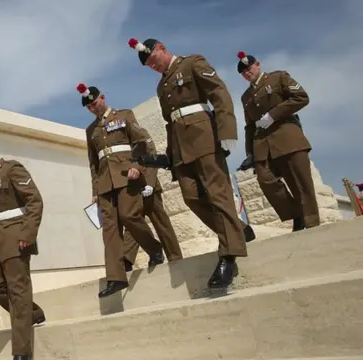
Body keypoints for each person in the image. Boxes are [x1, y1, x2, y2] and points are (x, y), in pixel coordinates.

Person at [127, 37, 255, 288]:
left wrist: (227, 130)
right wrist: (170, 156)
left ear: (162, 49)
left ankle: (228, 256)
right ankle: (237, 228)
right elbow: (171, 122)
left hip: (205, 137)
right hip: (181, 150)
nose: (153, 66)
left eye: (153, 60)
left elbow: (218, 92)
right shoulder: (161, 87)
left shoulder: (192, 63)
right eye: (149, 66)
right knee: (192, 197)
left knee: (219, 196)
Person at [78, 83, 166, 298]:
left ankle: (154, 249)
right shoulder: (91, 131)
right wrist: (96, 189)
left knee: (130, 216)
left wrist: (137, 166)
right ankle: (116, 278)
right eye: (88, 106)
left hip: (127, 177)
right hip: (105, 184)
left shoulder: (124, 116)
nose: (93, 107)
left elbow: (141, 142)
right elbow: (93, 163)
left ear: (103, 97)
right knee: (109, 232)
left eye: (94, 102)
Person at [0, 131, 45, 360]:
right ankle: (32, 313)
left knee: (17, 288)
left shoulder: (12, 169)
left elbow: (35, 201)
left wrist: (28, 232)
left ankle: (21, 351)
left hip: (15, 235)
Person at [235, 50, 319, 231]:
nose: (247, 73)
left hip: (288, 137)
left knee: (301, 182)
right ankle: (296, 214)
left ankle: (311, 223)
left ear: (257, 64)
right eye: (243, 72)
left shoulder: (278, 78)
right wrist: (249, 153)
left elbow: (301, 97)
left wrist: (273, 115)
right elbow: (249, 126)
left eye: (249, 68)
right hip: (263, 145)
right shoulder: (245, 97)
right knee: (266, 181)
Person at [122, 138, 183, 270]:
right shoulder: (119, 141)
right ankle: (127, 259)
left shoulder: (140, 136)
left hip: (149, 188)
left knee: (161, 223)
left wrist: (149, 184)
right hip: (132, 190)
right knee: (133, 225)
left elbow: (152, 160)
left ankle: (175, 257)